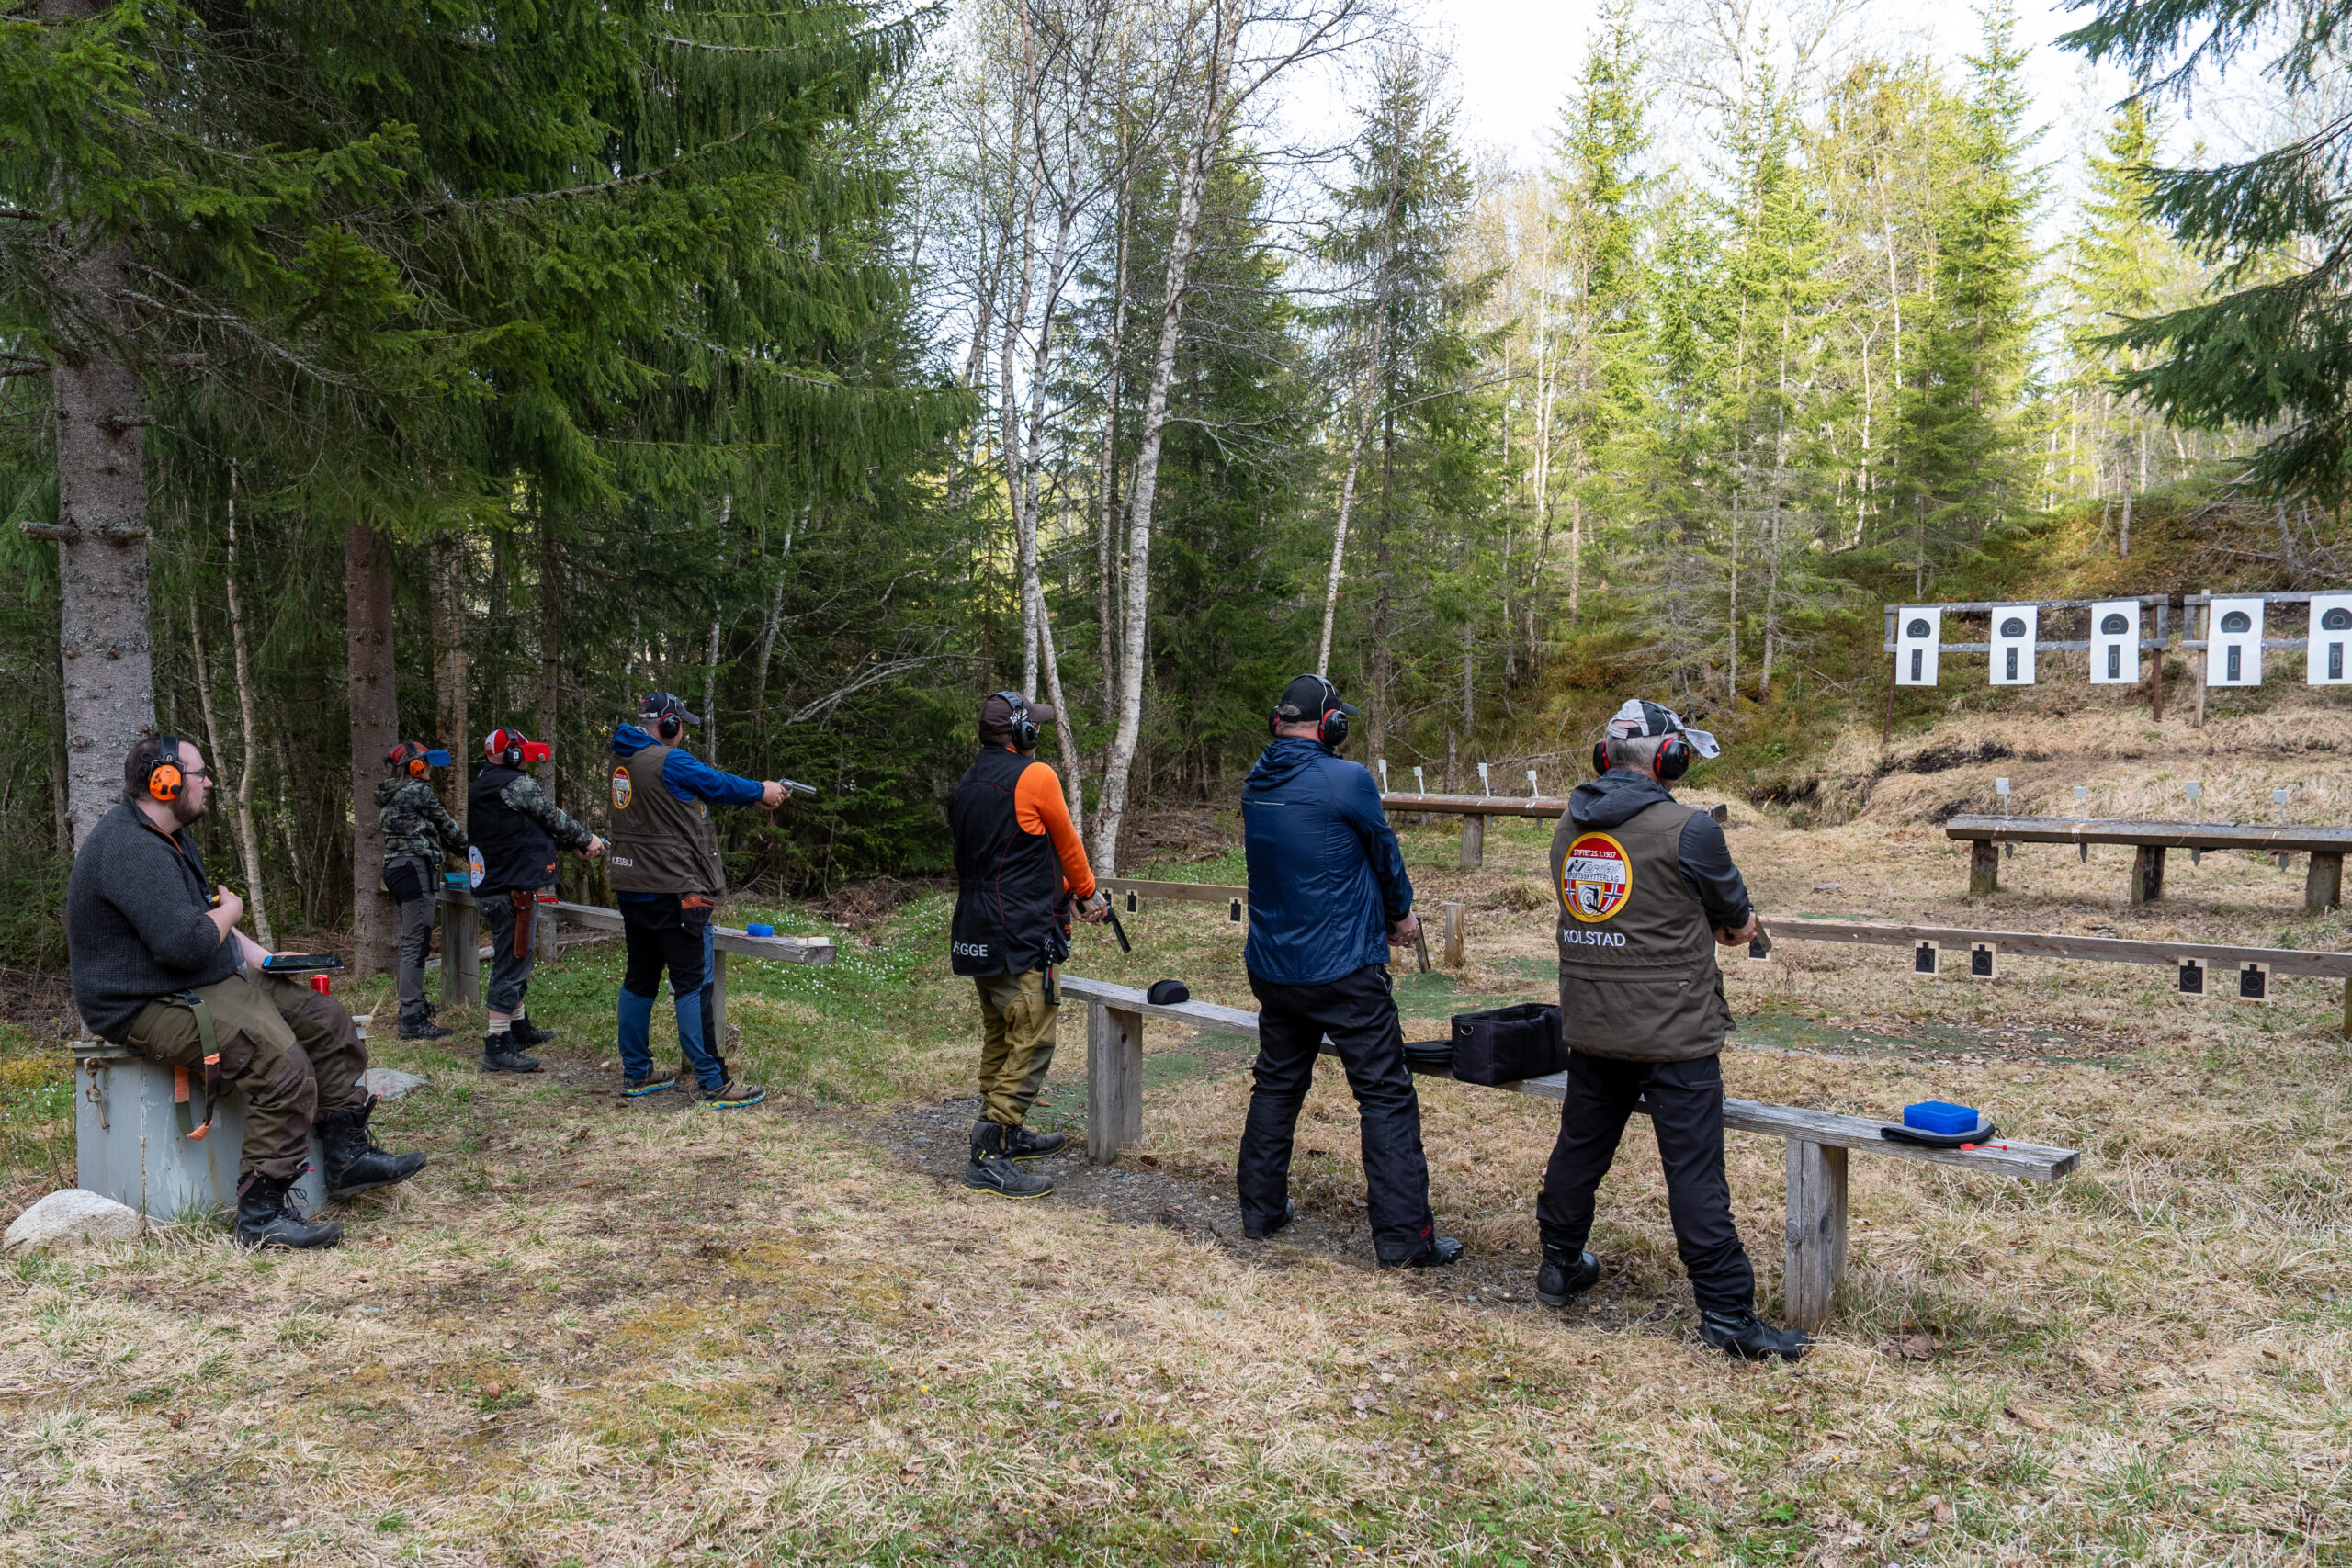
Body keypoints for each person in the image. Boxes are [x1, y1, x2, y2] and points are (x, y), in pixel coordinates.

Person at [66, 733, 427, 1249]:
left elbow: (200, 919)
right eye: (200, 773)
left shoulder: (167, 837)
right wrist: (231, 908)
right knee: (281, 1066)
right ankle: (260, 1215)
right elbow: (187, 942)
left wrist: (267, 960)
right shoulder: (129, 848)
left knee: (328, 1021)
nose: (209, 781)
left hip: (195, 978)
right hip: (142, 1002)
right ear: (164, 782)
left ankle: (347, 1159)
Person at [1533, 698, 1807, 1360]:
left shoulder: (1570, 823)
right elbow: (1739, 927)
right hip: (1674, 1030)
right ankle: (1725, 1313)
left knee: (1581, 1150)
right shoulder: (1693, 829)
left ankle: (1558, 1263)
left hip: (1594, 1020)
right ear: (1670, 759)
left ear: (1607, 758)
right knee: (1695, 1173)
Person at [1235, 674, 1462, 1269]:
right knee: (1386, 1096)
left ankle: (1260, 1210)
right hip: (1343, 970)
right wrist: (1402, 914)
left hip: (1277, 969)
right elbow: (1384, 853)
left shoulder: (1256, 782)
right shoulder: (1348, 779)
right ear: (1328, 724)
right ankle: (1405, 1241)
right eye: (1341, 721)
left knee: (1277, 1083)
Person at [945, 691, 1106, 1199]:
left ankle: (1007, 1133)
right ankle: (989, 1150)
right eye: (1033, 726)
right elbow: (1067, 845)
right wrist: (1084, 892)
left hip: (976, 925)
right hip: (1019, 929)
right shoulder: (1035, 777)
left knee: (1001, 1031)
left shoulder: (967, 784)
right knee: (1034, 1036)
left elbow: (1007, 859)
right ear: (1023, 734)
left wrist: (1059, 890)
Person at [606, 692, 781, 1107]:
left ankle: (637, 1071)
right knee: (692, 985)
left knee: (639, 979)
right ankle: (713, 1081)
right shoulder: (670, 760)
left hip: (633, 887)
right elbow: (717, 783)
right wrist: (763, 791)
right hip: (675, 891)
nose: (683, 732)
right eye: (680, 724)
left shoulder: (622, 759)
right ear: (666, 724)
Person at [468, 728, 603, 1072]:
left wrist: (568, 844)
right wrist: (586, 838)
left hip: (497, 885)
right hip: (512, 890)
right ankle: (497, 1045)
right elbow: (551, 816)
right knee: (512, 963)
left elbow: (523, 830)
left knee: (517, 958)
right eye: (522, 753)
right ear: (512, 753)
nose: (526, 759)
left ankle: (517, 1027)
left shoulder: (485, 782)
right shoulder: (516, 784)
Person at [376, 740, 468, 1041]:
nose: (429, 768)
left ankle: (412, 1007)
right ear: (414, 766)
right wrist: (473, 850)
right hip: (415, 869)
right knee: (416, 943)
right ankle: (412, 1017)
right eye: (425, 763)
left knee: (412, 941)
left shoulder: (390, 794)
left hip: (397, 868)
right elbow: (447, 827)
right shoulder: (419, 791)